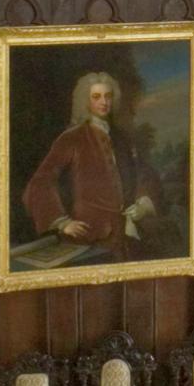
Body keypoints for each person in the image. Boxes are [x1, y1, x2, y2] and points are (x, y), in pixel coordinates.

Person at [20, 71, 167, 264]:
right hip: (86, 238)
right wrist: (61, 222)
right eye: (96, 97)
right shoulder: (72, 138)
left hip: (123, 235)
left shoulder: (121, 139)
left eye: (108, 96)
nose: (103, 102)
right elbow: (41, 182)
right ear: (85, 101)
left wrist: (143, 204)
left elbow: (141, 174)